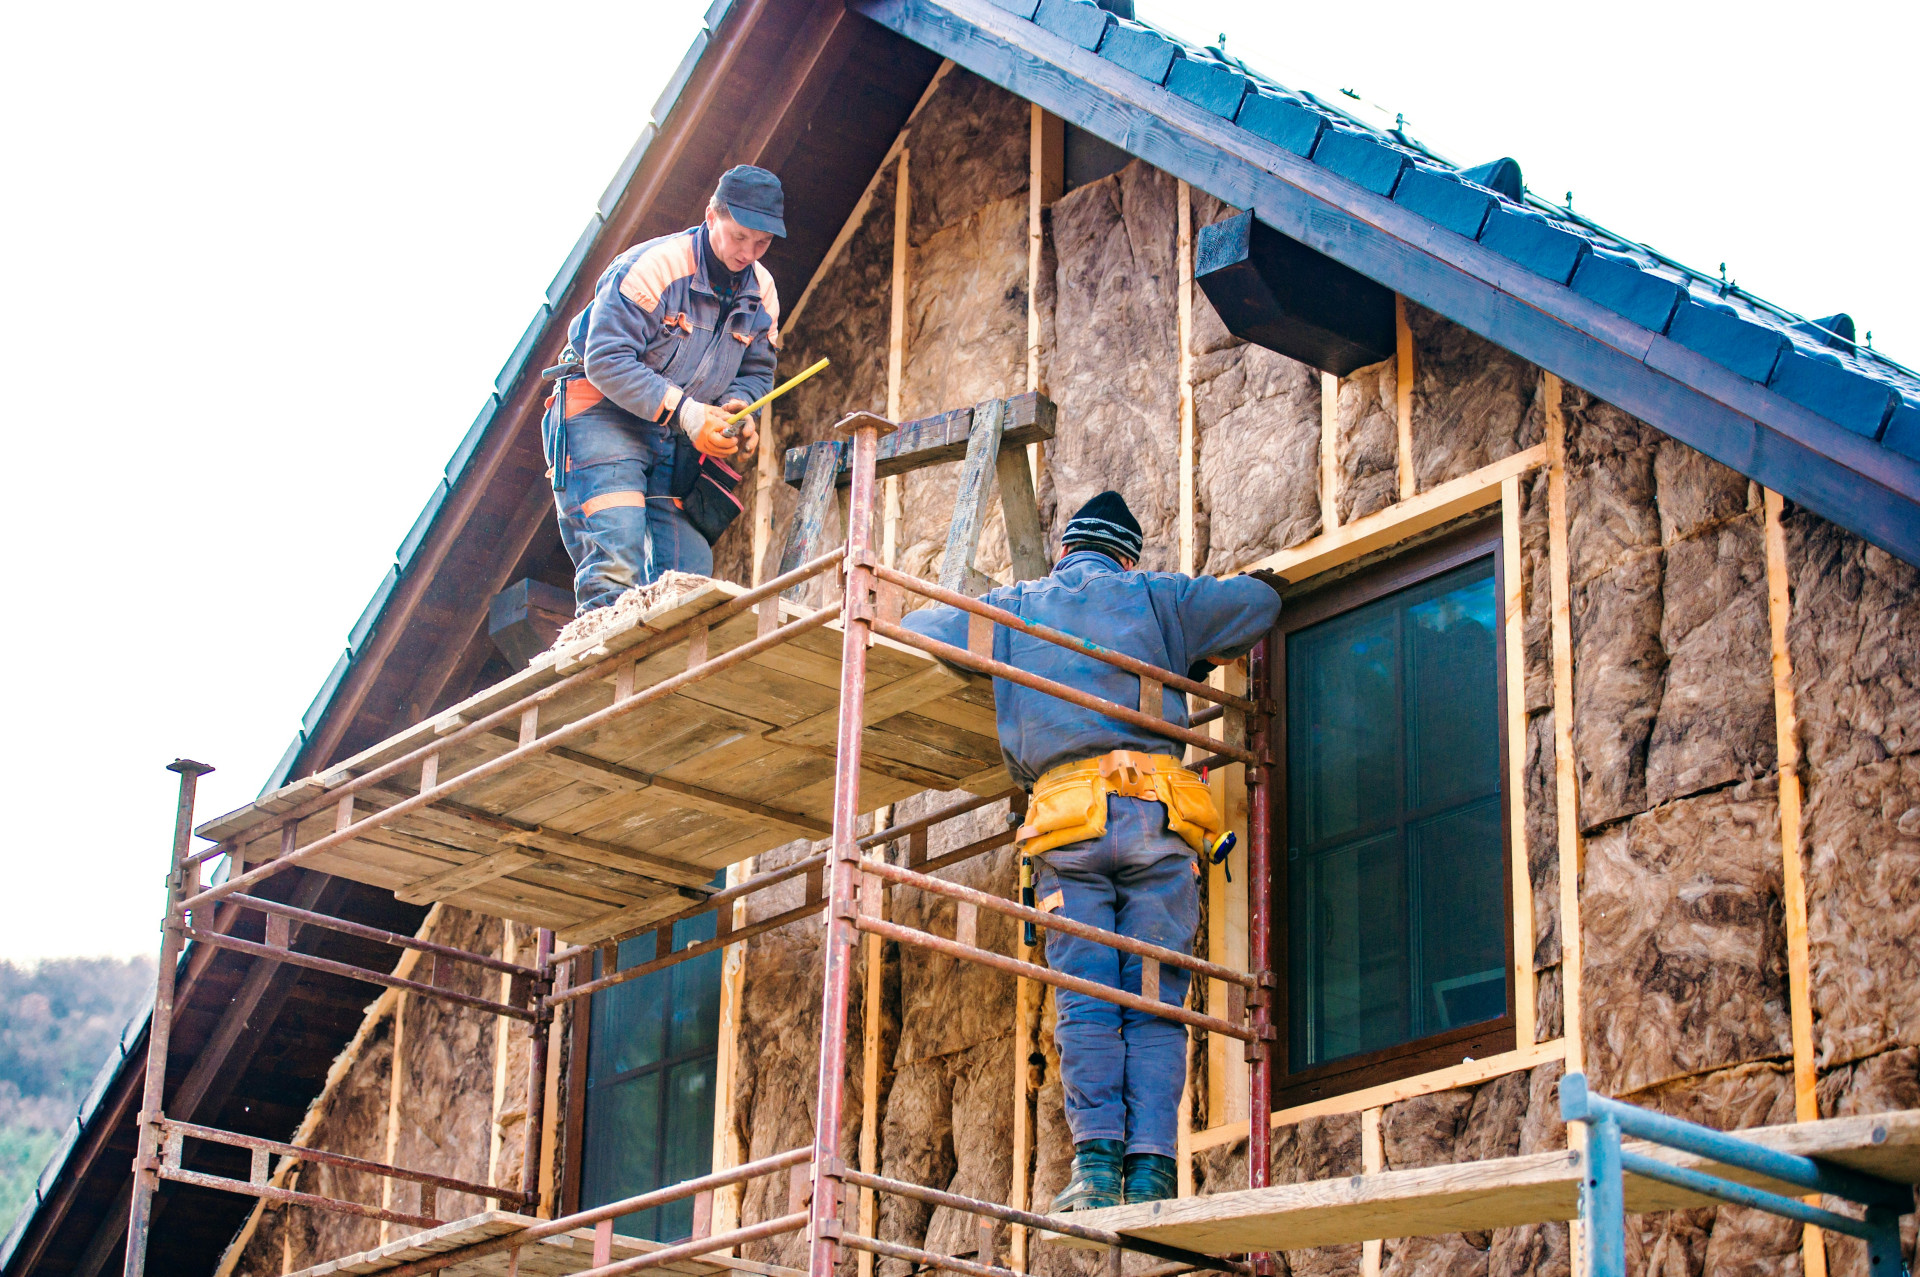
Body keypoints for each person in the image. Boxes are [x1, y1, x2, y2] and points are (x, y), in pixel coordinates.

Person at [902, 492, 1282, 1210]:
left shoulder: (1017, 608)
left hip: (1068, 829)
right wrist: (1192, 646)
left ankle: (1098, 1171)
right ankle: (1153, 1168)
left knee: (1088, 998)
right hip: (1155, 825)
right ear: (1127, 558)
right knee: (1154, 998)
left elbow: (919, 626)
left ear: (1065, 551)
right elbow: (1258, 603)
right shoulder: (1158, 597)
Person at [542, 164, 785, 615]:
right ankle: (601, 656)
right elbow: (606, 360)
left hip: (673, 432)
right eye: (739, 237)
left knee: (688, 579)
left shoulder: (763, 293)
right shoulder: (654, 266)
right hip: (601, 411)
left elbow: (756, 371)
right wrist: (691, 414)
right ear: (711, 215)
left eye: (762, 243)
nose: (748, 253)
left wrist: (739, 410)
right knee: (616, 562)